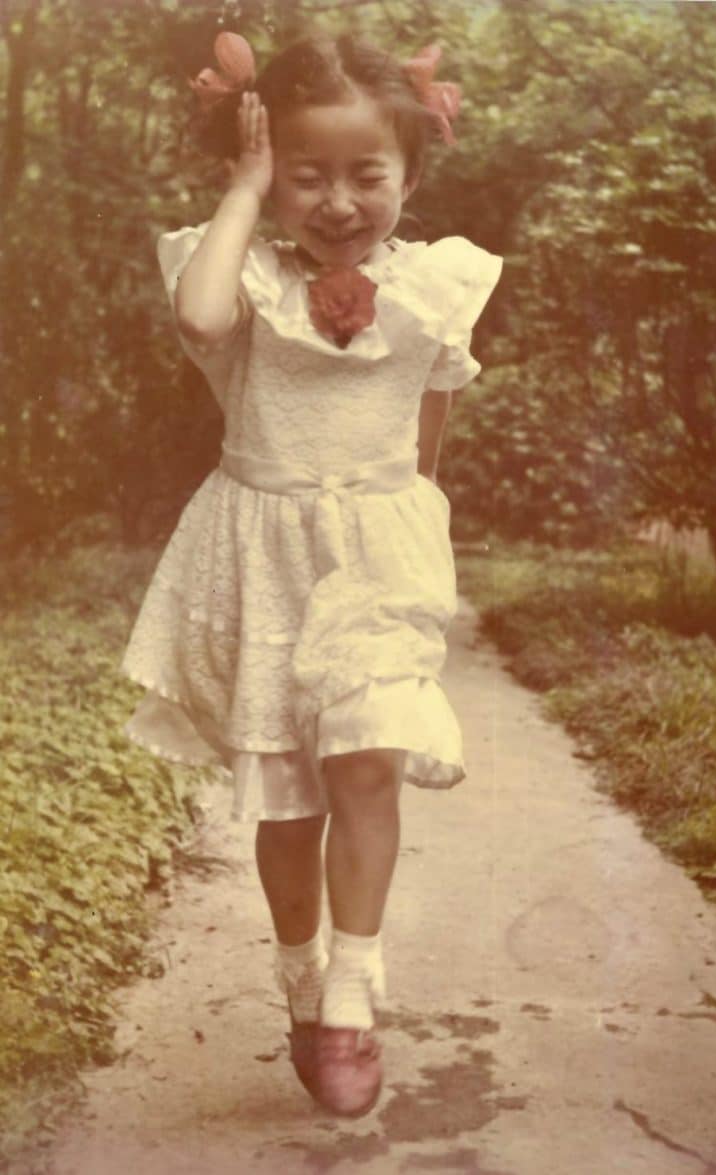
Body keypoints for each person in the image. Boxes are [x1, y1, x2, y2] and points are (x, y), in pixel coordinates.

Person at [121, 29, 502, 1118]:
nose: (339, 200)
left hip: (374, 557)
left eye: (367, 173)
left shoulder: (436, 286)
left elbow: (429, 436)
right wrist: (245, 188)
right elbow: (197, 317)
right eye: (306, 173)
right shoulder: (237, 276)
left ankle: (349, 995)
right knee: (287, 802)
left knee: (366, 770)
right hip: (264, 554)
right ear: (268, 172)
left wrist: (419, 540)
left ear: (410, 175)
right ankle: (298, 976)